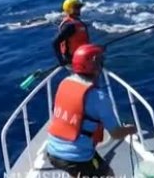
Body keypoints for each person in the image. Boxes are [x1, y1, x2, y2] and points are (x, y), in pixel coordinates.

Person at [46, 44, 137, 177]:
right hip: (77, 157)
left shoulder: (65, 82)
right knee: (108, 174)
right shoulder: (99, 98)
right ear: (95, 67)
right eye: (100, 62)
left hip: (52, 151)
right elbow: (116, 134)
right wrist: (131, 129)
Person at [53, 0, 90, 66]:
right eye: (77, 8)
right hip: (73, 59)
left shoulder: (77, 22)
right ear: (70, 9)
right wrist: (61, 60)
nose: (79, 10)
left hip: (81, 56)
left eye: (79, 8)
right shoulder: (69, 26)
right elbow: (55, 43)